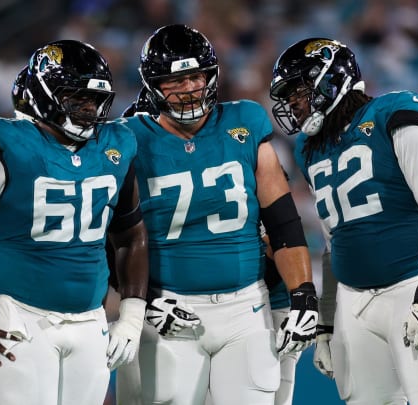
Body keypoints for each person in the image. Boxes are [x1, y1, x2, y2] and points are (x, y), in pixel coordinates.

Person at [0, 39, 149, 405]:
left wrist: (131, 315)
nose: (88, 108)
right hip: (17, 315)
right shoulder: (9, 142)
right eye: (76, 97)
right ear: (44, 96)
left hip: (89, 319)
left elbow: (131, 235)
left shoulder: (117, 145)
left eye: (95, 100)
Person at [117, 24, 317, 405]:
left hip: (247, 306)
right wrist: (143, 299)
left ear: (211, 76)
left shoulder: (245, 122)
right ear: (153, 85)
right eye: (174, 80)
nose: (189, 88)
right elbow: (114, 236)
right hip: (170, 308)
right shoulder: (128, 137)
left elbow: (283, 222)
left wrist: (303, 295)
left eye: (195, 76)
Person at [270, 37, 418, 404]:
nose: (294, 105)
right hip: (355, 303)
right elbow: (335, 241)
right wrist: (327, 321)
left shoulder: (391, 114)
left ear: (330, 79)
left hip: (413, 286)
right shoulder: (310, 149)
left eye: (298, 92)